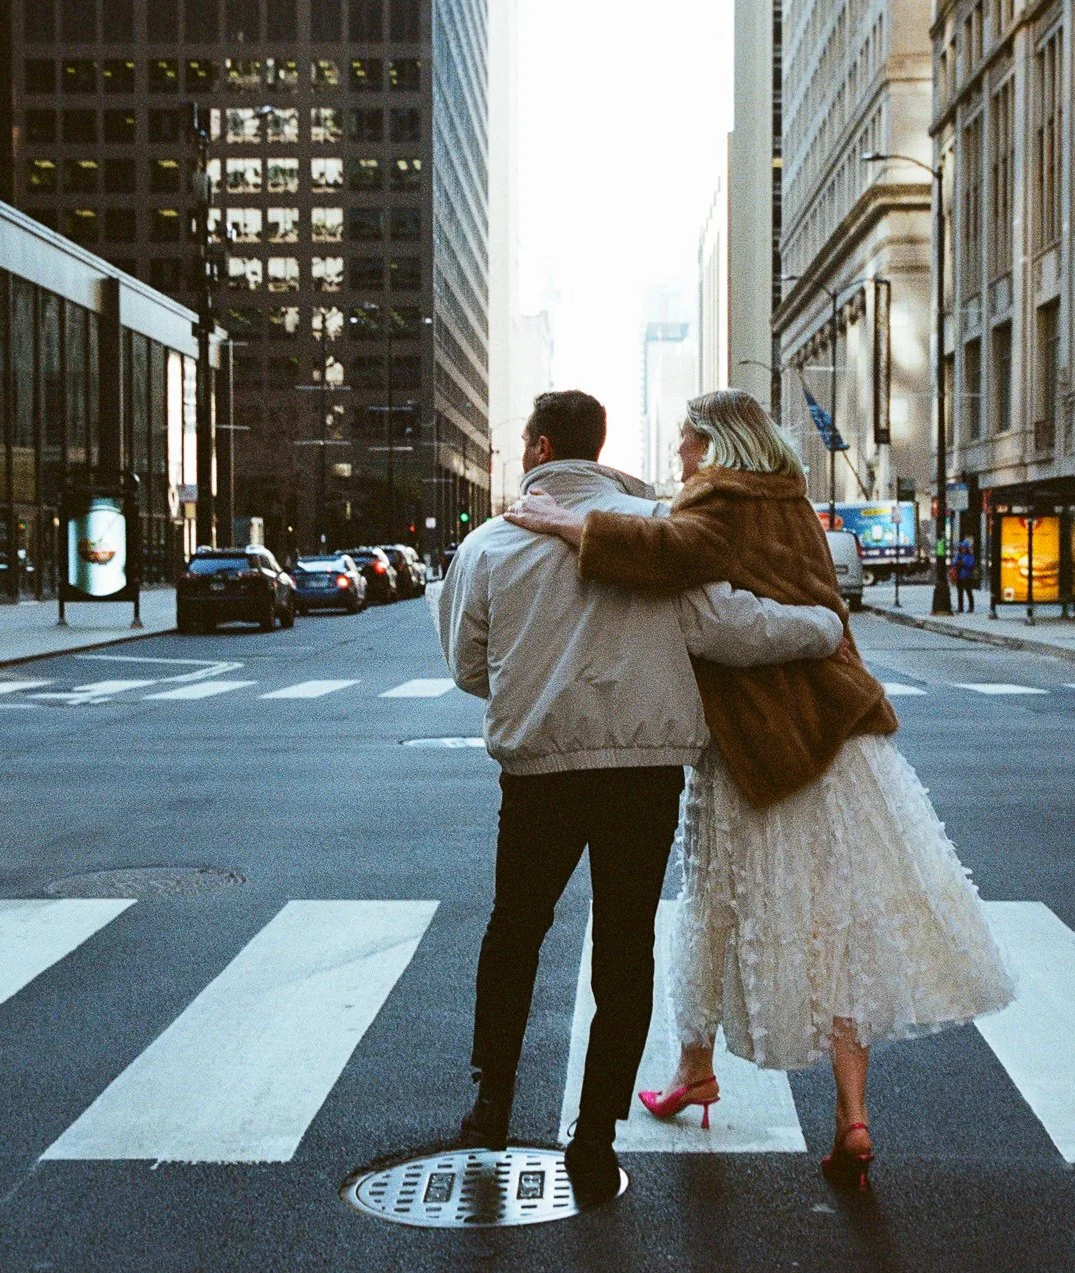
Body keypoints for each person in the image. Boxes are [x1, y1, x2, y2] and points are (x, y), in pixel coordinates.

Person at [506, 389, 1014, 1192]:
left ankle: (694, 1071)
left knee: (717, 907)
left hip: (758, 746)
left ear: (713, 444)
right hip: (840, 735)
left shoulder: (720, 500)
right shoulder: (789, 501)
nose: (678, 458)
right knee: (839, 921)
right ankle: (851, 1113)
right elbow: (755, 568)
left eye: (684, 442)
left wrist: (566, 522)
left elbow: (671, 557)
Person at [433, 390, 844, 1205]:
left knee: (515, 930)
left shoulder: (489, 544)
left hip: (539, 770)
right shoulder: (659, 537)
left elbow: (467, 667)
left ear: (541, 445)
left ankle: (491, 1101)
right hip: (644, 772)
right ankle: (594, 1130)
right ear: (601, 444)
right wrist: (824, 627)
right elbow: (733, 628)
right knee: (625, 950)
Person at [956, 537, 979, 613]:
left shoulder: (969, 556)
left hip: (967, 576)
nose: (963, 550)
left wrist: (963, 563)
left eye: (964, 548)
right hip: (959, 576)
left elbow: (971, 564)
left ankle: (971, 607)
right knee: (960, 593)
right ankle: (960, 608)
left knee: (969, 592)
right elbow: (954, 562)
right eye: (962, 548)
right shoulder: (958, 556)